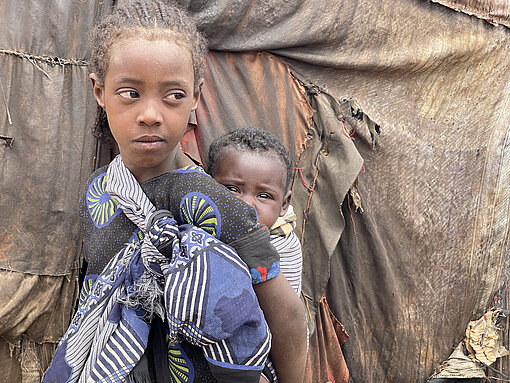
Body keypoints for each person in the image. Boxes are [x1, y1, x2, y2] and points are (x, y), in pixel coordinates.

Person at [42, 1, 307, 383]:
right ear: (99, 91)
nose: (151, 114)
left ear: (196, 97)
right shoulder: (98, 193)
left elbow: (286, 314)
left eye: (174, 95)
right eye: (130, 93)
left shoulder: (213, 201)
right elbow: (99, 297)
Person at [207, 127, 303, 296]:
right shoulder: (198, 223)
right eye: (232, 189)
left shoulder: (282, 244)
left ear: (284, 204)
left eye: (264, 196)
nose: (245, 205)